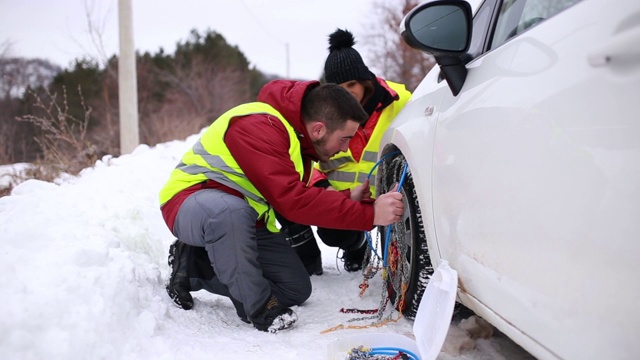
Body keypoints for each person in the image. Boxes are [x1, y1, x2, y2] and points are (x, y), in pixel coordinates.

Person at [160, 79, 405, 333]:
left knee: (295, 287)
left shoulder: (297, 142)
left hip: (245, 221)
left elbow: (304, 192)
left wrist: (347, 199)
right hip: (192, 202)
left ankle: (191, 266)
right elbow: (291, 200)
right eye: (344, 139)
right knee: (230, 212)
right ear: (319, 129)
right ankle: (258, 308)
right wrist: (370, 214)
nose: (345, 148)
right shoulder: (257, 125)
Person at [285, 28, 413, 275]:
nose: (349, 93)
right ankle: (357, 247)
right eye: (340, 87)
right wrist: (325, 190)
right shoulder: (323, 115)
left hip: (395, 197)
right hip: (347, 201)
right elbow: (307, 163)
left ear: (365, 79)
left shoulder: (402, 101)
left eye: (352, 84)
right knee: (331, 231)